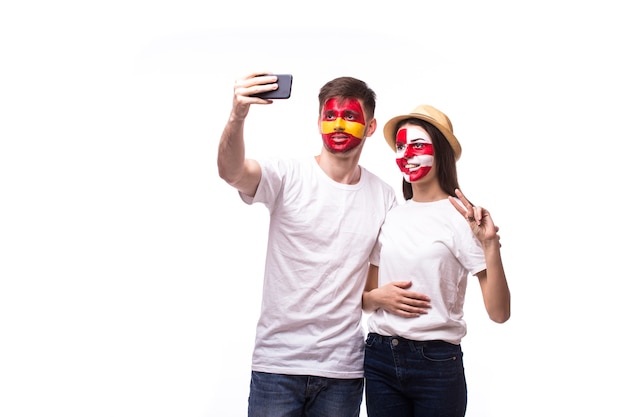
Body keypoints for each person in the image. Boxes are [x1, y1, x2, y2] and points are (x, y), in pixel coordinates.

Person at [217, 72, 397, 417]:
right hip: (277, 366)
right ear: (318, 122)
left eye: (350, 116)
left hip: (342, 372)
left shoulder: (384, 197)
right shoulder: (286, 175)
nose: (339, 125)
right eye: (330, 116)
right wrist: (237, 115)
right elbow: (232, 172)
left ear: (371, 127)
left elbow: (371, 291)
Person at [362, 104, 511, 417]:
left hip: (436, 363)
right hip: (380, 359)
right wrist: (378, 297)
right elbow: (365, 299)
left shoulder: (462, 217)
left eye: (417, 145)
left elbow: (499, 313)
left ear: (440, 152)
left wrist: (491, 247)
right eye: (401, 146)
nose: (406, 155)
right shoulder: (390, 215)